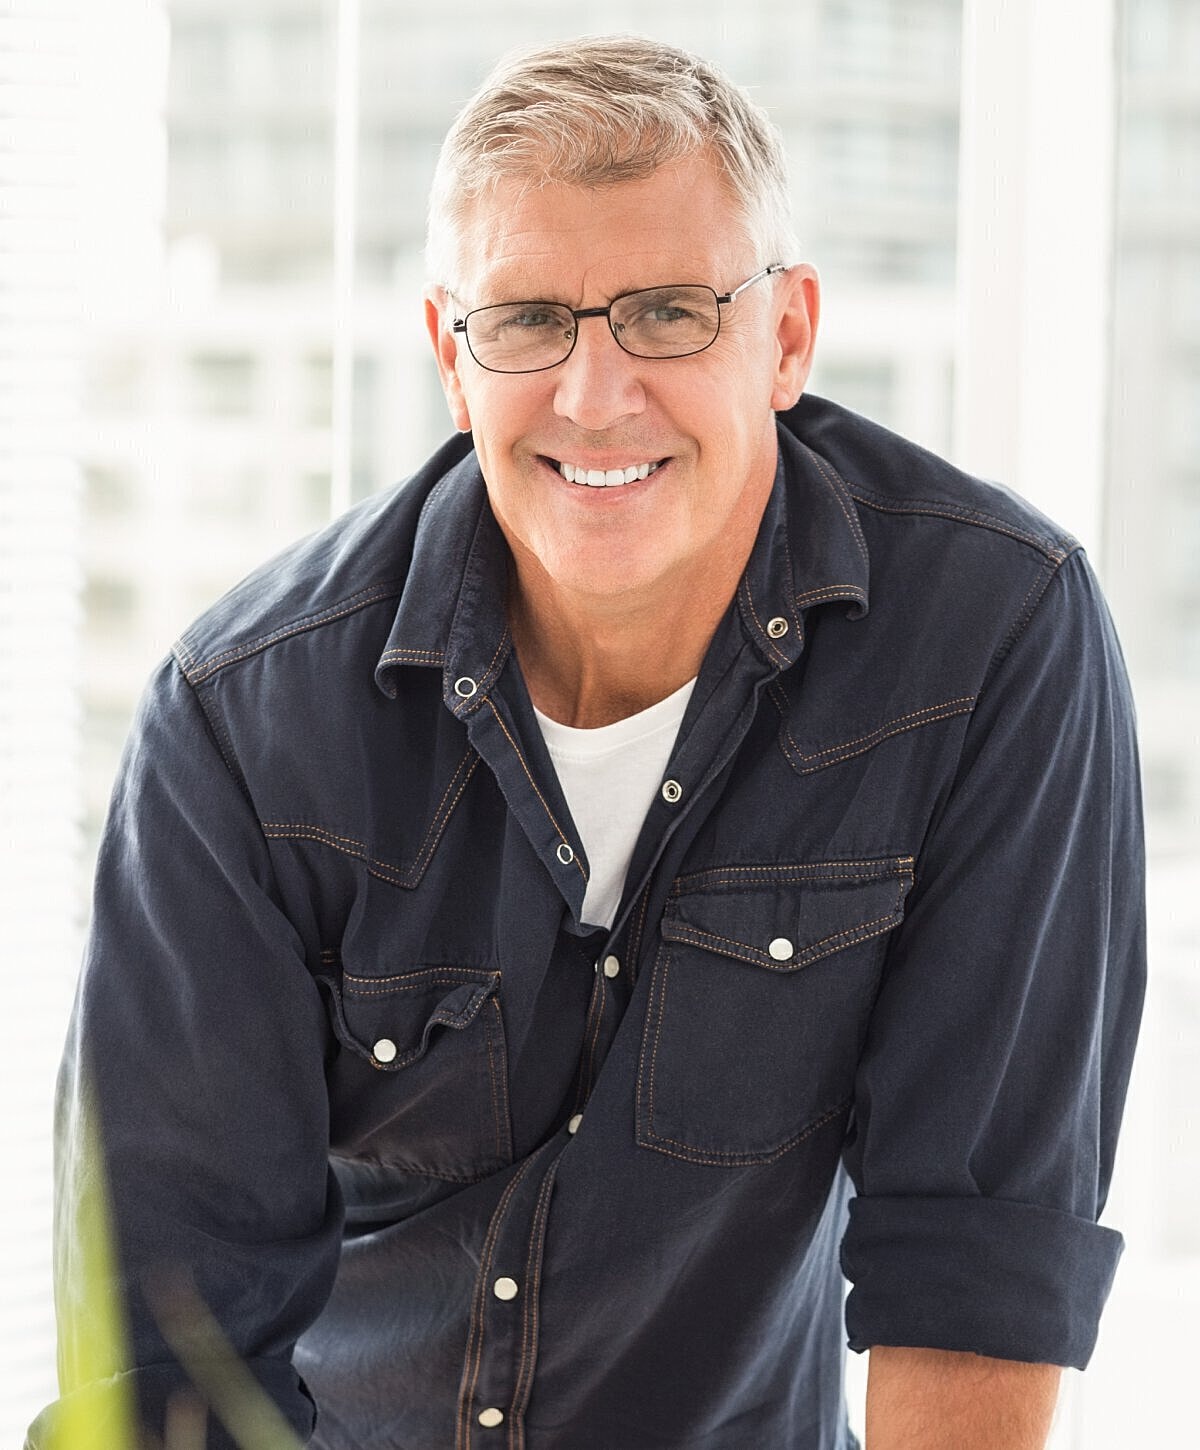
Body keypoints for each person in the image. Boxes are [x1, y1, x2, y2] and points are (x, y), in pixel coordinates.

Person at [30, 35, 1145, 1450]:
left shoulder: (992, 642)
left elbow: (976, 1269)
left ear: (787, 335)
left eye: (670, 312)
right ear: (451, 352)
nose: (595, 391)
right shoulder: (244, 721)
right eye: (531, 318)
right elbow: (161, 1356)